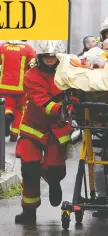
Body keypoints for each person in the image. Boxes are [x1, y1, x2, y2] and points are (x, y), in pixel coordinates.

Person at [15, 40, 73, 224]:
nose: (49, 60)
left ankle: (53, 182)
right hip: (33, 128)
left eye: (53, 56)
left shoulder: (69, 74)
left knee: (57, 172)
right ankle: (29, 212)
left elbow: (77, 93)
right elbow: (40, 100)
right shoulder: (31, 76)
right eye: (46, 56)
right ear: (39, 57)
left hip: (56, 131)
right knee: (30, 169)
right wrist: (61, 109)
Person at [0, 40, 35, 142]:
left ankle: (7, 115)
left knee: (7, 106)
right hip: (21, 87)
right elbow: (33, 66)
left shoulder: (3, 47)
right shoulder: (28, 49)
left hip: (4, 85)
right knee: (20, 109)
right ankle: (14, 134)